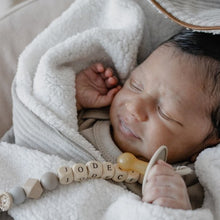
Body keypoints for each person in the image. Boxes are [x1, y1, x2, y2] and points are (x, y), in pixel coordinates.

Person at [75, 29, 220, 210]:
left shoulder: (184, 186)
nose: (134, 107)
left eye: (165, 113)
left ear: (205, 145)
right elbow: (40, 125)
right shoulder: (90, 117)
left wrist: (174, 210)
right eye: (135, 85)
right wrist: (74, 97)